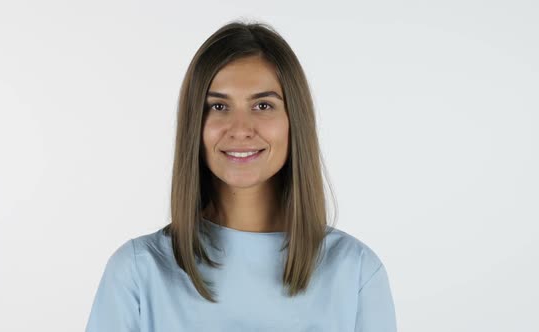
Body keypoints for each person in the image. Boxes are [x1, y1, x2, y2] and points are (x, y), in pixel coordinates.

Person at [85, 20, 397, 332]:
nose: (240, 129)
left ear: (294, 121)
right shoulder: (137, 273)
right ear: (195, 124)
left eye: (263, 105)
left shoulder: (355, 273)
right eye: (219, 106)